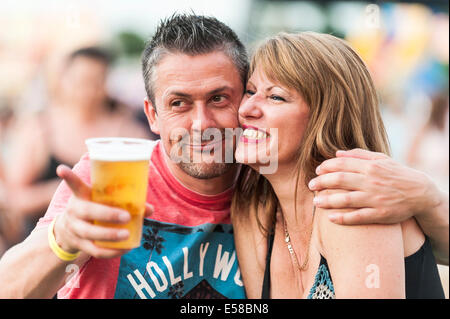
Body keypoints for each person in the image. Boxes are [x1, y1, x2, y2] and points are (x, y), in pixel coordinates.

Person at [0, 14, 447, 299]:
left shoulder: (266, 194)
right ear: (151, 115)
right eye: (179, 104)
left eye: (220, 97)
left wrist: (428, 198)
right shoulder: (115, 176)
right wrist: (64, 240)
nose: (202, 125)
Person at [232, 32, 445, 299]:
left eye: (275, 97)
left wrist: (430, 198)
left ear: (325, 118)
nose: (246, 109)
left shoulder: (352, 203)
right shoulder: (254, 210)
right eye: (250, 92)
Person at [2, 47, 150, 243]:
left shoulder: (128, 130)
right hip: (47, 243)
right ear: (63, 80)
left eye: (96, 81)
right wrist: (66, 190)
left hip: (112, 240)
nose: (88, 90)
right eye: (81, 80)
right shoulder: (40, 129)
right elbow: (14, 200)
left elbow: (151, 187)